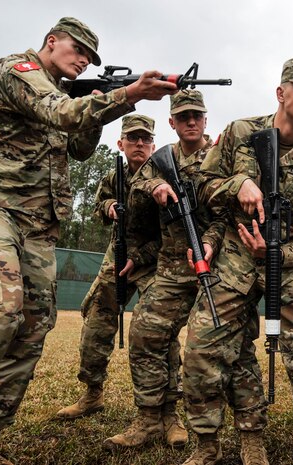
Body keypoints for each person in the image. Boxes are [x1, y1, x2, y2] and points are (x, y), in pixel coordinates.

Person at [0, 17, 177, 465]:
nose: (83, 59)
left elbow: (81, 146)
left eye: (90, 56)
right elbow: (59, 113)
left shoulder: (66, 94)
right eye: (77, 49)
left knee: (31, 328)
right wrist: (126, 95)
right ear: (52, 42)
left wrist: (101, 102)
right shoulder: (16, 71)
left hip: (39, 226)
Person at [181, 58, 293, 465]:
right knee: (202, 347)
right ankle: (207, 444)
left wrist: (278, 253)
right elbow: (201, 186)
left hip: (287, 265)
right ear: (281, 93)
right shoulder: (241, 133)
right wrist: (239, 183)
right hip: (235, 256)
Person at [103, 90, 226, 450]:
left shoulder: (220, 156)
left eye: (196, 116)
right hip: (171, 270)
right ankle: (150, 418)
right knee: (145, 335)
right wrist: (154, 182)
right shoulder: (160, 159)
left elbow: (225, 215)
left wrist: (212, 242)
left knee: (208, 348)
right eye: (183, 116)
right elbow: (136, 183)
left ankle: (184, 420)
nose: (190, 122)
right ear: (172, 122)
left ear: (205, 119)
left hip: (214, 267)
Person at [55, 114, 161, 420]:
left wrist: (139, 257)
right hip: (116, 257)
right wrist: (109, 206)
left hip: (154, 260)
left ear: (153, 145)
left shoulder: (164, 175)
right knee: (96, 322)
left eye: (145, 139)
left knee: (156, 330)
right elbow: (98, 206)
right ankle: (92, 393)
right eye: (132, 138)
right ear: (121, 143)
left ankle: (164, 409)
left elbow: (172, 233)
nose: (139, 144)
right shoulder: (115, 175)